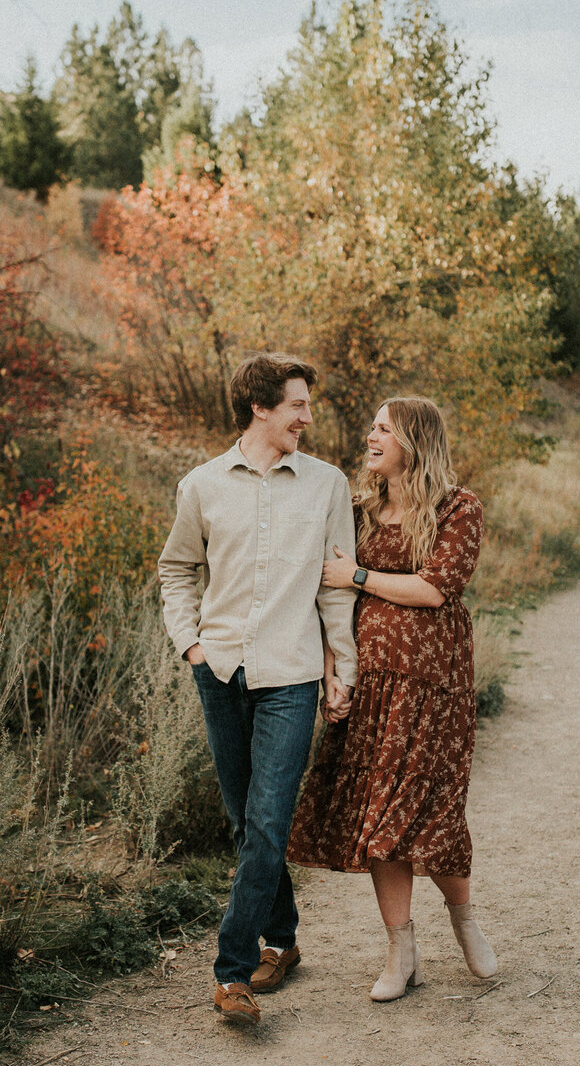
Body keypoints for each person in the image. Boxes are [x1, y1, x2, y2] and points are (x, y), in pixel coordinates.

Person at [158, 352, 358, 1026]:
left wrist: (343, 669)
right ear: (260, 408)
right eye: (297, 405)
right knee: (249, 823)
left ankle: (232, 975)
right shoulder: (203, 486)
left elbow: (335, 589)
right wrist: (191, 643)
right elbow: (177, 570)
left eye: (306, 404)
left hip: (292, 676)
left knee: (269, 822)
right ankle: (285, 941)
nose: (308, 416)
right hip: (219, 672)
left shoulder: (328, 485)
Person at [287, 396, 498, 1000]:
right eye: (373, 426)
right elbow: (331, 607)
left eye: (383, 428)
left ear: (414, 438)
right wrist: (336, 672)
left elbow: (435, 590)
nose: (371, 435)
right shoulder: (357, 511)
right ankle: (400, 952)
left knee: (431, 813)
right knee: (379, 817)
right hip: (373, 685)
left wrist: (356, 576)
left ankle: (464, 921)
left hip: (434, 688)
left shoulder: (459, 508)